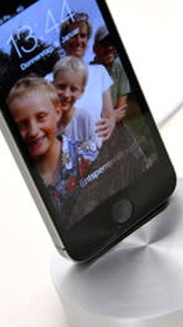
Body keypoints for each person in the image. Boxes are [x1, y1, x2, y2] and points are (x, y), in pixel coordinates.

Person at [7, 76, 97, 222]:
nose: (33, 131)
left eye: (41, 117)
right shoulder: (24, 181)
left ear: (58, 113)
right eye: (22, 125)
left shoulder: (86, 154)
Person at [56, 12, 115, 142]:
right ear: (63, 41)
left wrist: (110, 123)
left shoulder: (99, 72)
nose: (78, 41)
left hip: (99, 145)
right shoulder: (50, 80)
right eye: (73, 35)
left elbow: (109, 115)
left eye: (83, 36)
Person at [51, 56, 98, 146]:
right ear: (52, 85)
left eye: (73, 89)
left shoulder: (86, 118)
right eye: (61, 87)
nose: (66, 95)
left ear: (81, 92)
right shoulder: (46, 121)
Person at [91, 25, 130, 124]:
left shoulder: (119, 67)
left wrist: (110, 118)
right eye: (104, 44)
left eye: (113, 43)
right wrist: (112, 117)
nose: (109, 48)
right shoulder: (88, 73)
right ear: (95, 49)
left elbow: (121, 110)